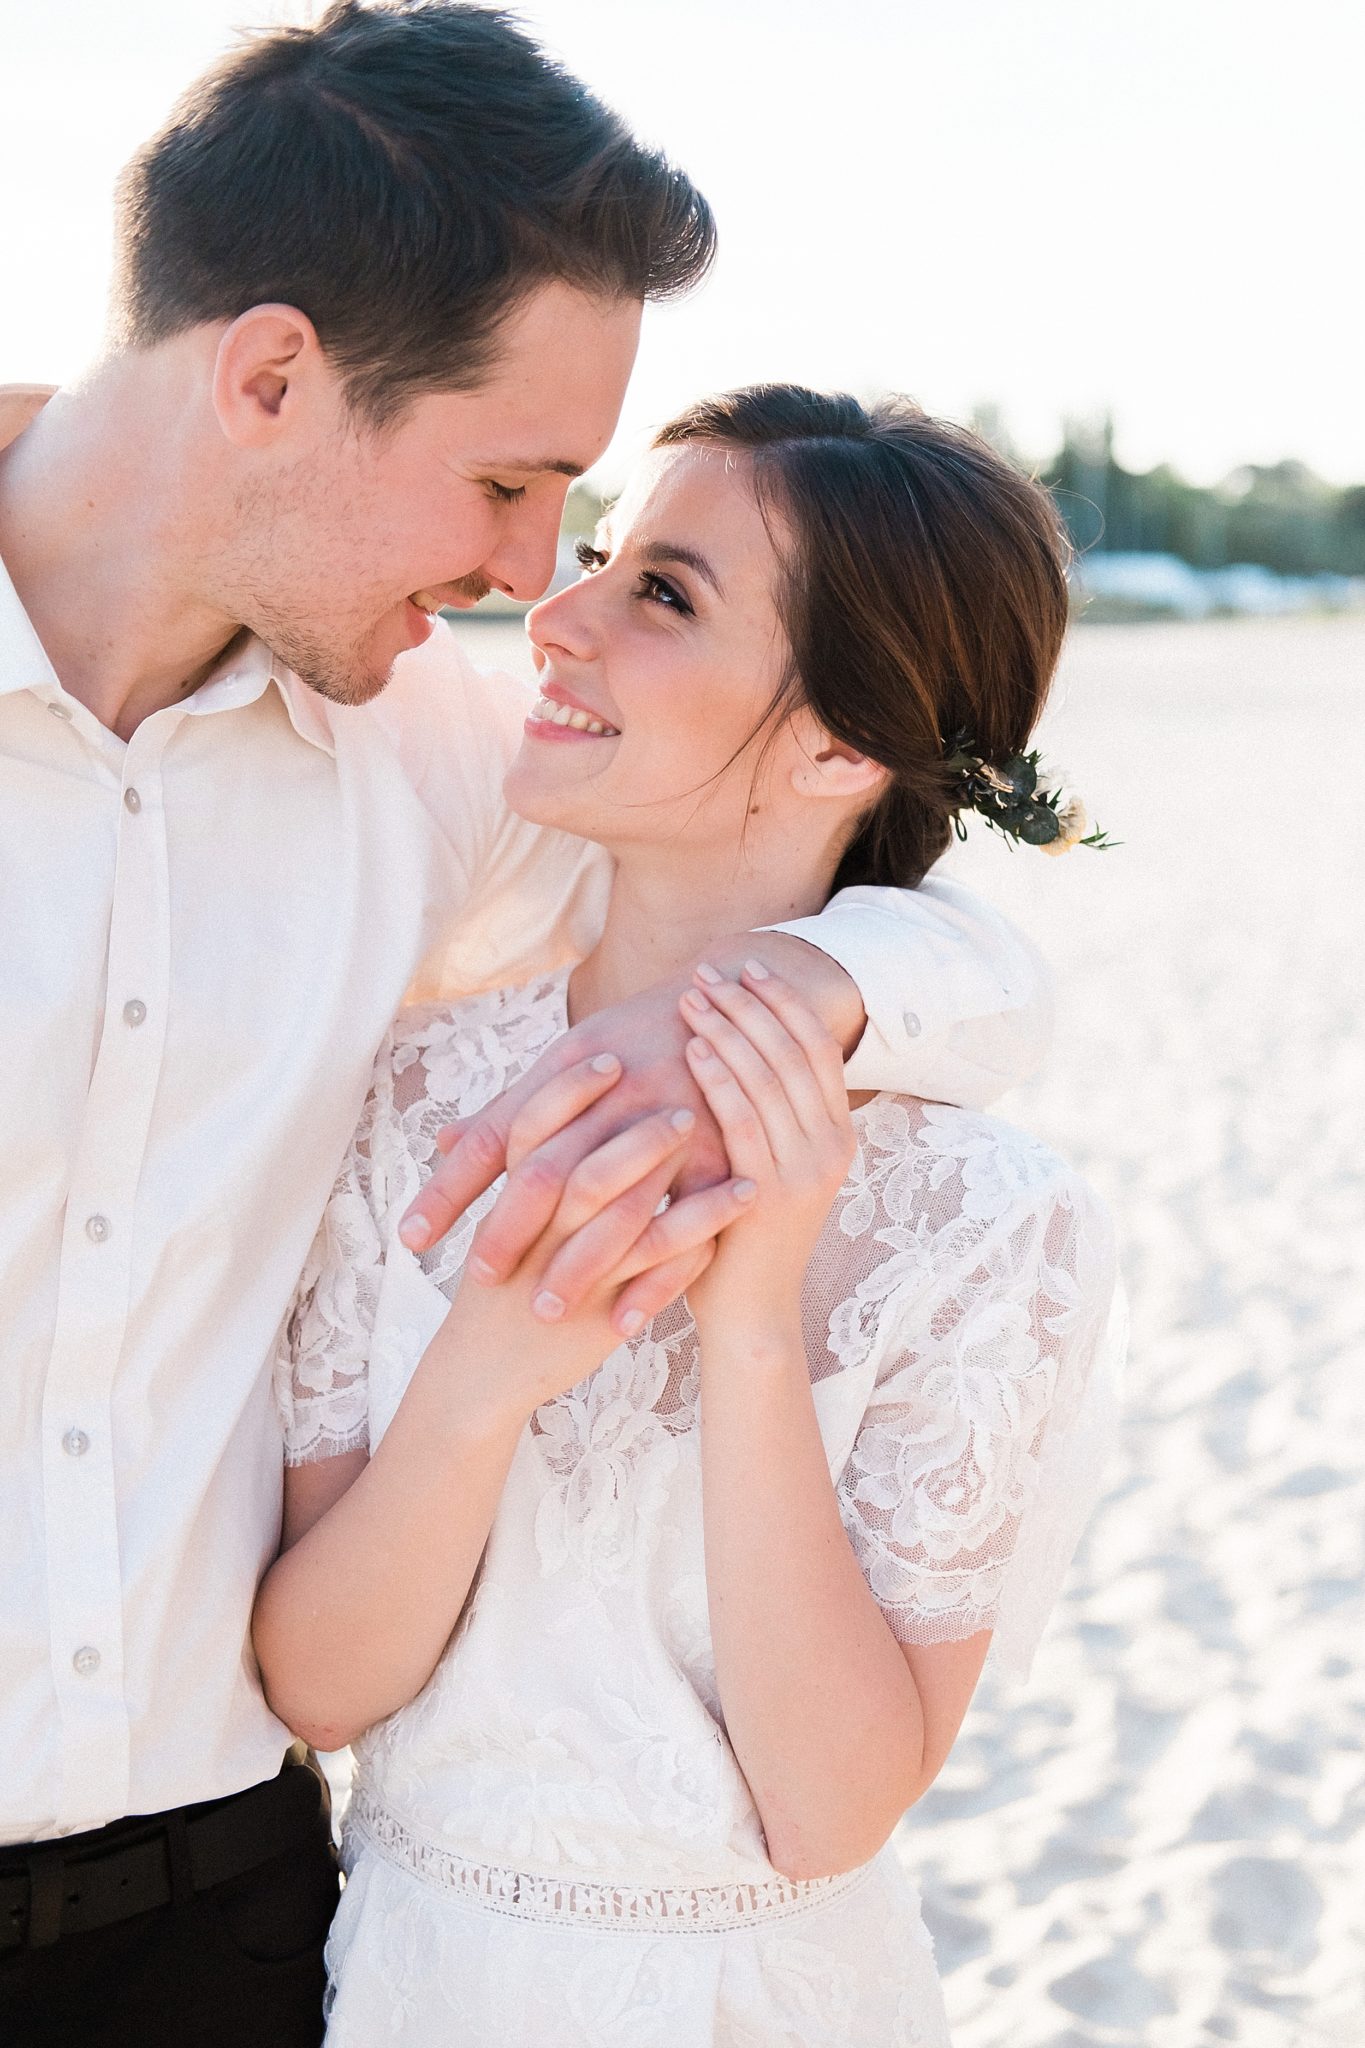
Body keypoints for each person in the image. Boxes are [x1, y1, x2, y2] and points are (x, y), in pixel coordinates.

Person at [0, 10, 1051, 2046]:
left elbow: (929, 909)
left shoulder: (436, 761)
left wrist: (795, 998)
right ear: (271, 376)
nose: (519, 577)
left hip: (223, 1926)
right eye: (504, 480)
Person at [254, 386, 1123, 2046]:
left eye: (660, 593)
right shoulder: (420, 1102)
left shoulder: (993, 1217)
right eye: (594, 555)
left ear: (838, 746)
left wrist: (748, 1317)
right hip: (414, 1976)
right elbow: (319, 1685)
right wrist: (485, 1376)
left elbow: (829, 1809)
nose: (555, 616)